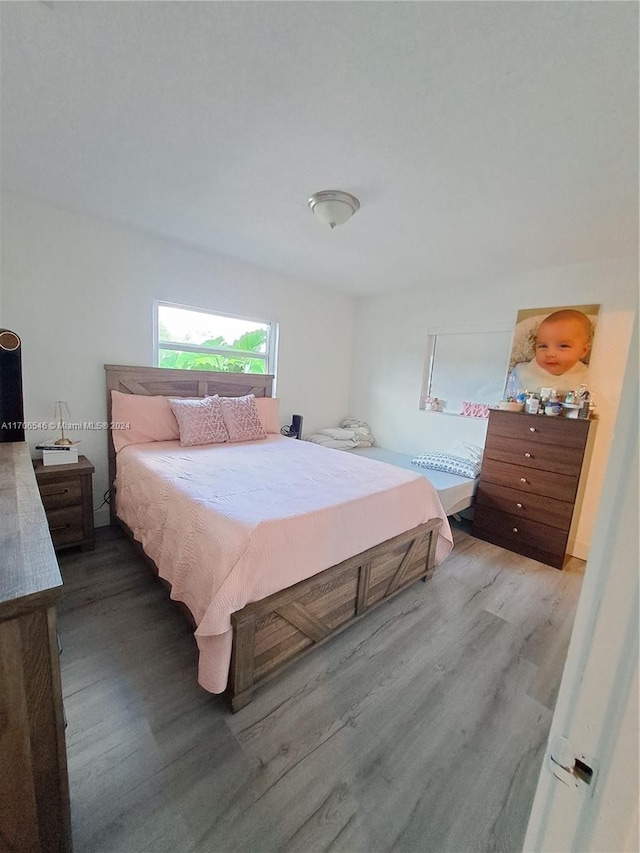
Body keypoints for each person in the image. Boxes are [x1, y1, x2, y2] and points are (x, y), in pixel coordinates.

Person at [506, 308, 592, 396]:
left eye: (563, 346)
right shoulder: (522, 372)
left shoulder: (588, 376)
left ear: (583, 351)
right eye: (543, 346)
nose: (549, 354)